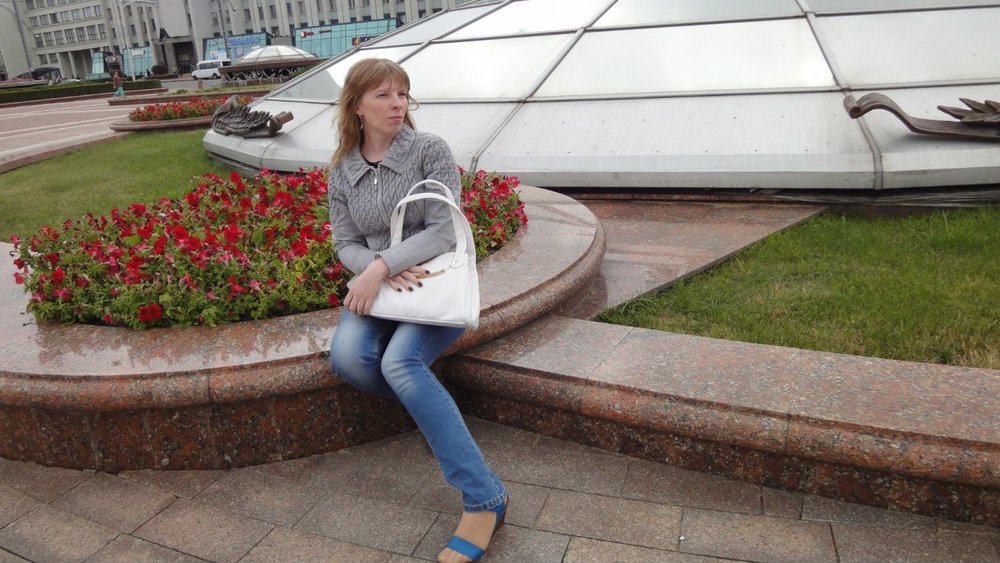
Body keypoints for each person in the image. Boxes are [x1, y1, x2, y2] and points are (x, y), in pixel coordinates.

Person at [327, 58, 508, 563]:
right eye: (383, 95)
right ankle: (435, 411)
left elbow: (444, 229)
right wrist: (373, 271)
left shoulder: (429, 150)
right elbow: (344, 242)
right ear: (357, 106)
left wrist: (384, 264)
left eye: (402, 93)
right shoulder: (342, 169)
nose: (397, 104)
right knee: (347, 359)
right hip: (381, 287)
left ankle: (484, 499)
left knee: (401, 363)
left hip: (433, 284)